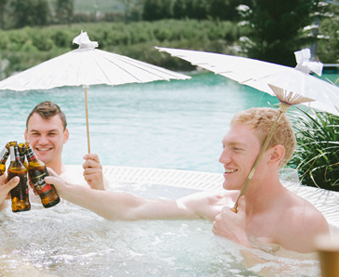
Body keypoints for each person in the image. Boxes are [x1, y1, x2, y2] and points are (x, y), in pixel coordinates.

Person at [45, 107, 330, 254]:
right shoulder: (219, 204)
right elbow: (133, 209)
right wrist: (64, 188)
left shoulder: (303, 223)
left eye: (236, 149)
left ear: (274, 155)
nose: (222, 159)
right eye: (224, 146)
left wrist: (240, 242)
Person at [24, 101, 107, 190]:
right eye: (36, 133)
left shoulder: (85, 182)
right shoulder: (14, 183)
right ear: (26, 136)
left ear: (65, 136)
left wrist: (99, 189)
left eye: (51, 133)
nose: (43, 141)